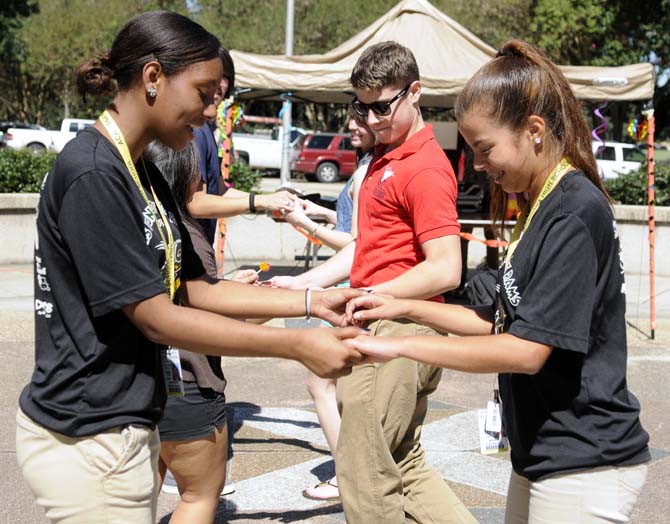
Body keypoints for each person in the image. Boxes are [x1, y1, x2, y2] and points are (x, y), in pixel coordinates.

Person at [15, 11, 364, 524]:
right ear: (154, 77)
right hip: (89, 433)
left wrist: (312, 303)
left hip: (124, 424)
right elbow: (157, 316)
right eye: (203, 93)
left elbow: (194, 288)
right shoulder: (93, 172)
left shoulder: (145, 172)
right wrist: (297, 344)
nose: (209, 113)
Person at [345, 40, 651, 524]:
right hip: (545, 451)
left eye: (485, 149)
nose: (481, 166)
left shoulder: (572, 210)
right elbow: (497, 320)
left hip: (585, 458)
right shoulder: (540, 203)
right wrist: (397, 308)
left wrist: (401, 347)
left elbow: (524, 350)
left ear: (534, 131)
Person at [281, 41, 473, 523]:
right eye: (360, 106)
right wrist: (303, 286)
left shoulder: (424, 167)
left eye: (381, 107)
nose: (370, 118)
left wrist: (372, 296)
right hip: (386, 328)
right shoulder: (388, 157)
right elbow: (366, 250)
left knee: (363, 472)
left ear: (415, 93)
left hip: (399, 330)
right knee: (402, 465)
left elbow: (446, 268)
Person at [144, 141, 254, 522]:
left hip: (139, 385)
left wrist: (225, 287)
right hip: (188, 386)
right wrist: (264, 306)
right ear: (182, 178)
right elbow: (215, 326)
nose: (202, 178)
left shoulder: (137, 229)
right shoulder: (189, 237)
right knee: (197, 497)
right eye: (196, 170)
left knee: (138, 499)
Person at [267, 113, 375, 501]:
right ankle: (352, 470)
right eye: (352, 120)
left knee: (327, 382)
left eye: (361, 120)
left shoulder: (371, 168)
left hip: (351, 286)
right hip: (349, 284)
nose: (352, 128)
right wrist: (321, 213)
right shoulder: (367, 165)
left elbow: (356, 244)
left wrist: (303, 222)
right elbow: (355, 230)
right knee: (335, 384)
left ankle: (348, 472)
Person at [190, 48, 297, 246]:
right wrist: (261, 202)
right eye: (214, 76)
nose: (219, 84)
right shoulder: (193, 131)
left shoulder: (205, 128)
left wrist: (271, 200)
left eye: (225, 77)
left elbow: (219, 190)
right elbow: (196, 202)